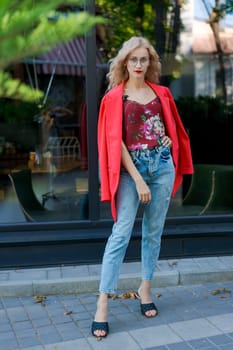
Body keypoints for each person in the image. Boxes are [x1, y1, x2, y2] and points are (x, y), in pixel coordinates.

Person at [91, 36, 193, 338]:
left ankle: (145, 288)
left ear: (150, 63)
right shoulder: (114, 98)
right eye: (133, 59)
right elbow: (115, 142)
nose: (138, 64)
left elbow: (169, 129)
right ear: (125, 62)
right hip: (129, 170)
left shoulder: (161, 93)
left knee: (153, 231)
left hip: (160, 165)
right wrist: (136, 177)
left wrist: (167, 142)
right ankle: (103, 300)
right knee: (121, 232)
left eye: (143, 59)